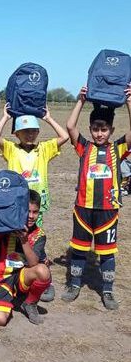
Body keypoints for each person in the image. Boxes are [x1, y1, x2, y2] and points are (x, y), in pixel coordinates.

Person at [61, 85, 131, 310]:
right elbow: (70, 126)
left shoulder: (118, 148)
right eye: (95, 129)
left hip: (108, 211)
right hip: (82, 208)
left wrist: (129, 100)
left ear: (111, 129)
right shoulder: (84, 147)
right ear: (90, 129)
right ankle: (74, 284)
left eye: (103, 129)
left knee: (107, 251)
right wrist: (81, 100)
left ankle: (107, 290)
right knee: (79, 248)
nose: (99, 133)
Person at [0, 105, 69, 226]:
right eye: (25, 131)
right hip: (16, 200)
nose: (30, 134)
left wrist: (48, 119)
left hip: (37, 202)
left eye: (33, 131)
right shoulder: (11, 149)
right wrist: (5, 117)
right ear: (16, 134)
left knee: (35, 234)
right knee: (15, 233)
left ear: (38, 132)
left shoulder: (44, 149)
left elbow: (65, 136)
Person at [0, 203, 51, 326]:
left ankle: (29, 302)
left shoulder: (39, 234)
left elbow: (33, 263)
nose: (31, 216)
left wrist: (24, 240)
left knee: (43, 271)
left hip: (21, 277)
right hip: (1, 278)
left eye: (35, 212)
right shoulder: (7, 226)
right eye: (28, 211)